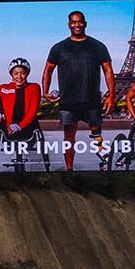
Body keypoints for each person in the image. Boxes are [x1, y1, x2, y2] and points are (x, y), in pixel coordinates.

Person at [41, 10, 114, 171]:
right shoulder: (59, 48)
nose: (77, 25)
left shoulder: (97, 46)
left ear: (85, 24)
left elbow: (108, 70)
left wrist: (111, 95)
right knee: (69, 137)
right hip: (68, 100)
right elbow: (48, 70)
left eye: (80, 21)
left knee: (96, 131)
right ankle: (69, 169)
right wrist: (45, 91)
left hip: (91, 99)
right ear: (69, 25)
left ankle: (102, 157)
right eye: (73, 22)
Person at [0, 58, 48, 172]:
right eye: (16, 73)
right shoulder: (4, 88)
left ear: (27, 74)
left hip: (28, 126)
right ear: (11, 74)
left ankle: (47, 167)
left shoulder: (34, 87)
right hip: (8, 127)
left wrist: (19, 126)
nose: (19, 77)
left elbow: (33, 112)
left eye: (22, 73)